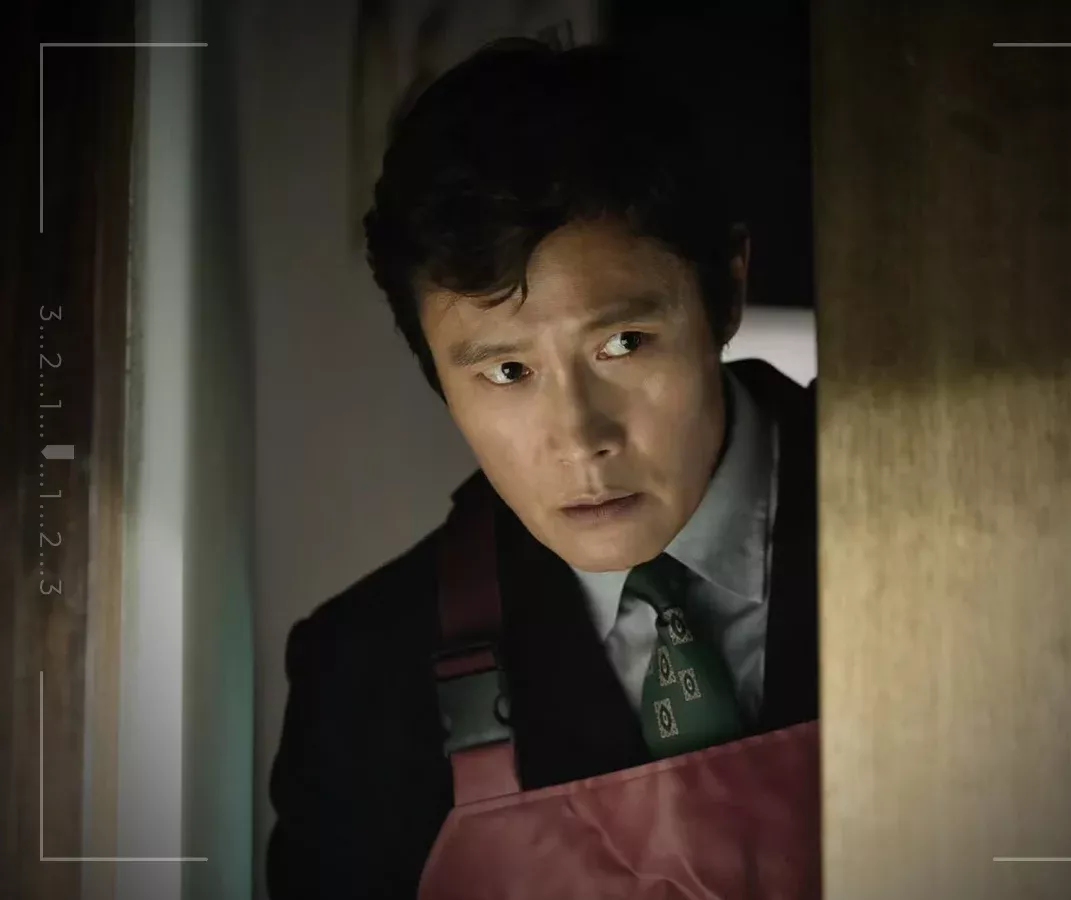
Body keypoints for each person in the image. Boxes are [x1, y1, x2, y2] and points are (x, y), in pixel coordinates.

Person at [266, 36, 820, 900]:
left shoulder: (947, 510)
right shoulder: (365, 678)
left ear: (728, 292)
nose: (578, 438)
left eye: (623, 343)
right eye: (506, 372)